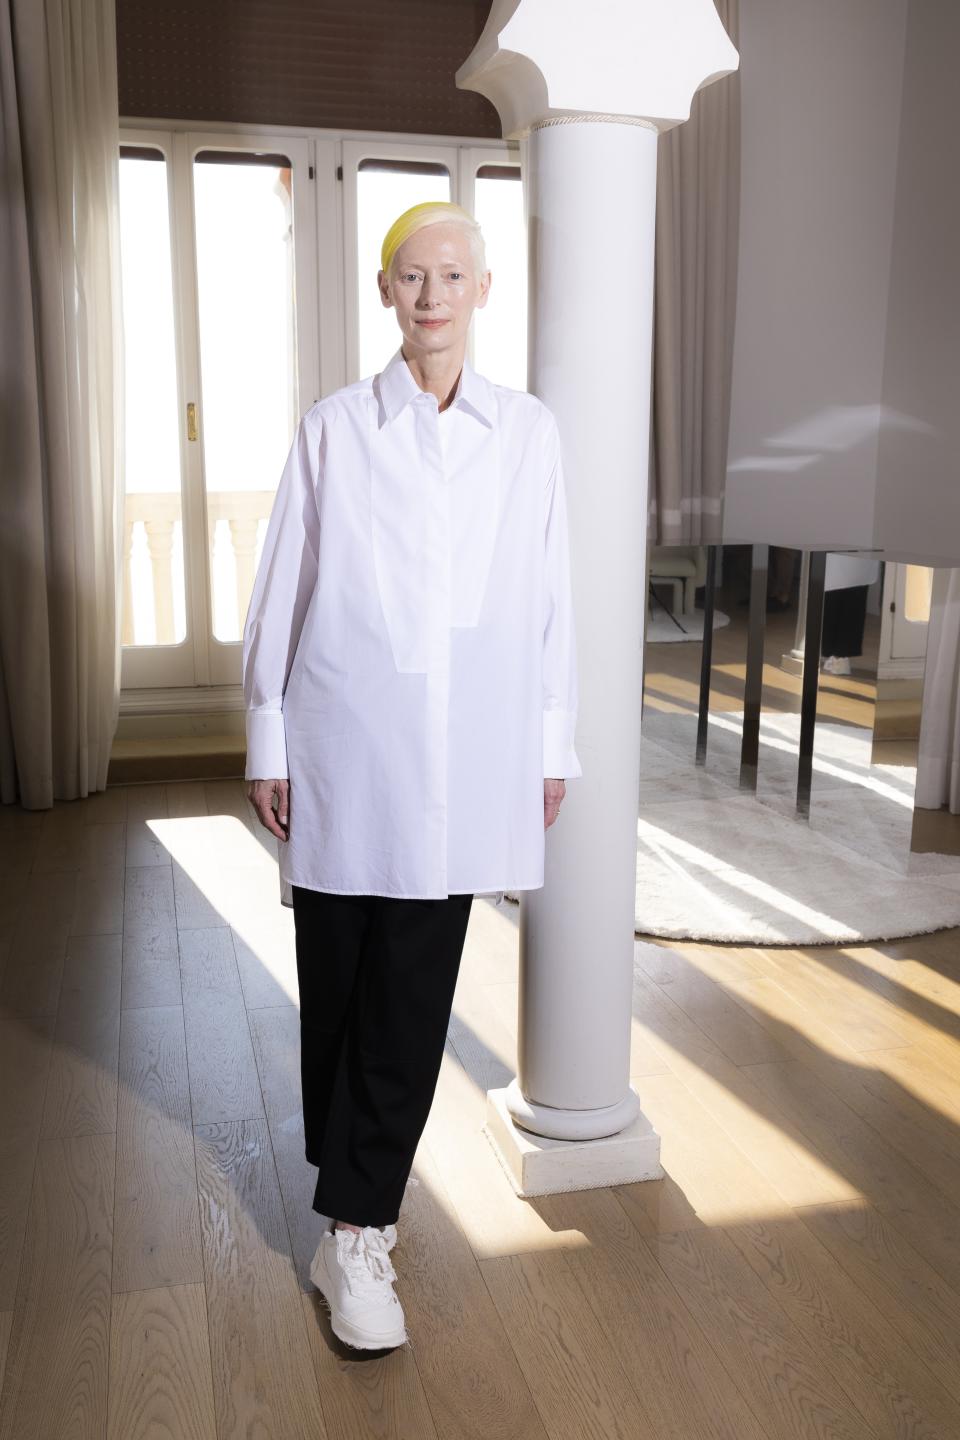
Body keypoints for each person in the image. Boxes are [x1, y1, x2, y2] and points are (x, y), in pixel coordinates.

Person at [241, 200, 582, 1351]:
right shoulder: (335, 430)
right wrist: (268, 737)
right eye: (411, 276)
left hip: (467, 757)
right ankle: (353, 1194)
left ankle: (358, 1232)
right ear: (388, 293)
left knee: (413, 992)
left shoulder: (527, 434)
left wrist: (549, 743)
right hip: (346, 750)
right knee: (338, 985)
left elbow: (549, 601)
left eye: (452, 275)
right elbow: (285, 586)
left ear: (483, 291)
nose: (431, 295)